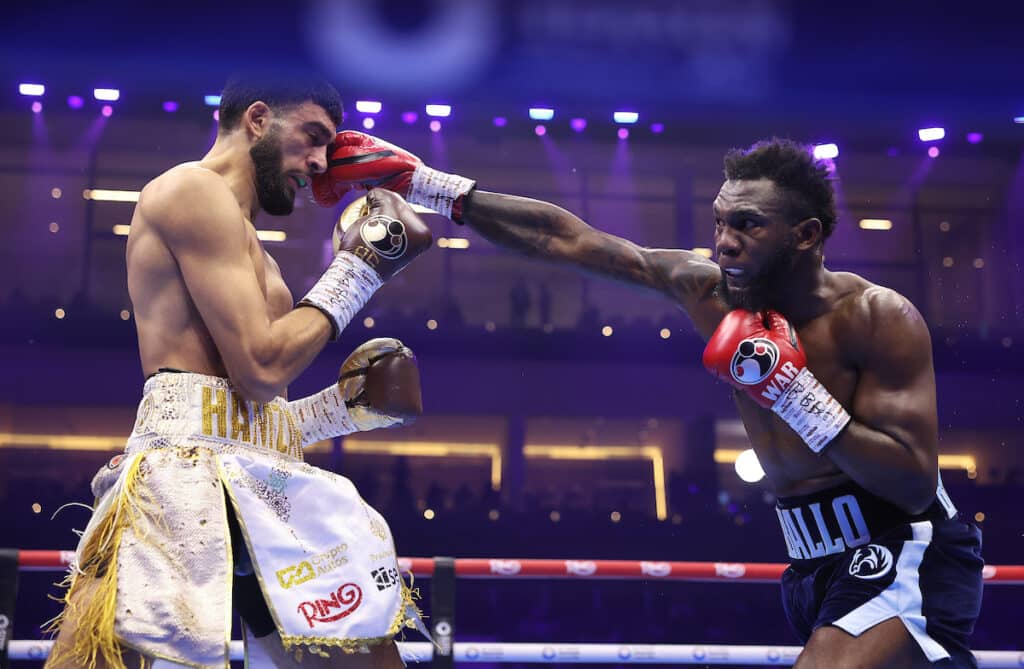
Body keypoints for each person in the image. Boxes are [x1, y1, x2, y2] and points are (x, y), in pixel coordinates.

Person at [313, 133, 984, 668]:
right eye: (721, 222)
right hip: (811, 557)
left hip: (903, 544)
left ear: (805, 235)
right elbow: (570, 240)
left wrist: (795, 392)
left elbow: (912, 477)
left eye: (747, 225)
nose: (724, 242)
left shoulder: (876, 315)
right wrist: (426, 185)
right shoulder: (710, 289)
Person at [45, 75, 434, 669]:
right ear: (257, 119)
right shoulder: (190, 190)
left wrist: (342, 408)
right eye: (312, 137)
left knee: (366, 653)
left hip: (266, 482)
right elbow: (260, 367)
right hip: (180, 477)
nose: (321, 162)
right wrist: (359, 269)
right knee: (100, 656)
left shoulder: (265, 261)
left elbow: (250, 408)